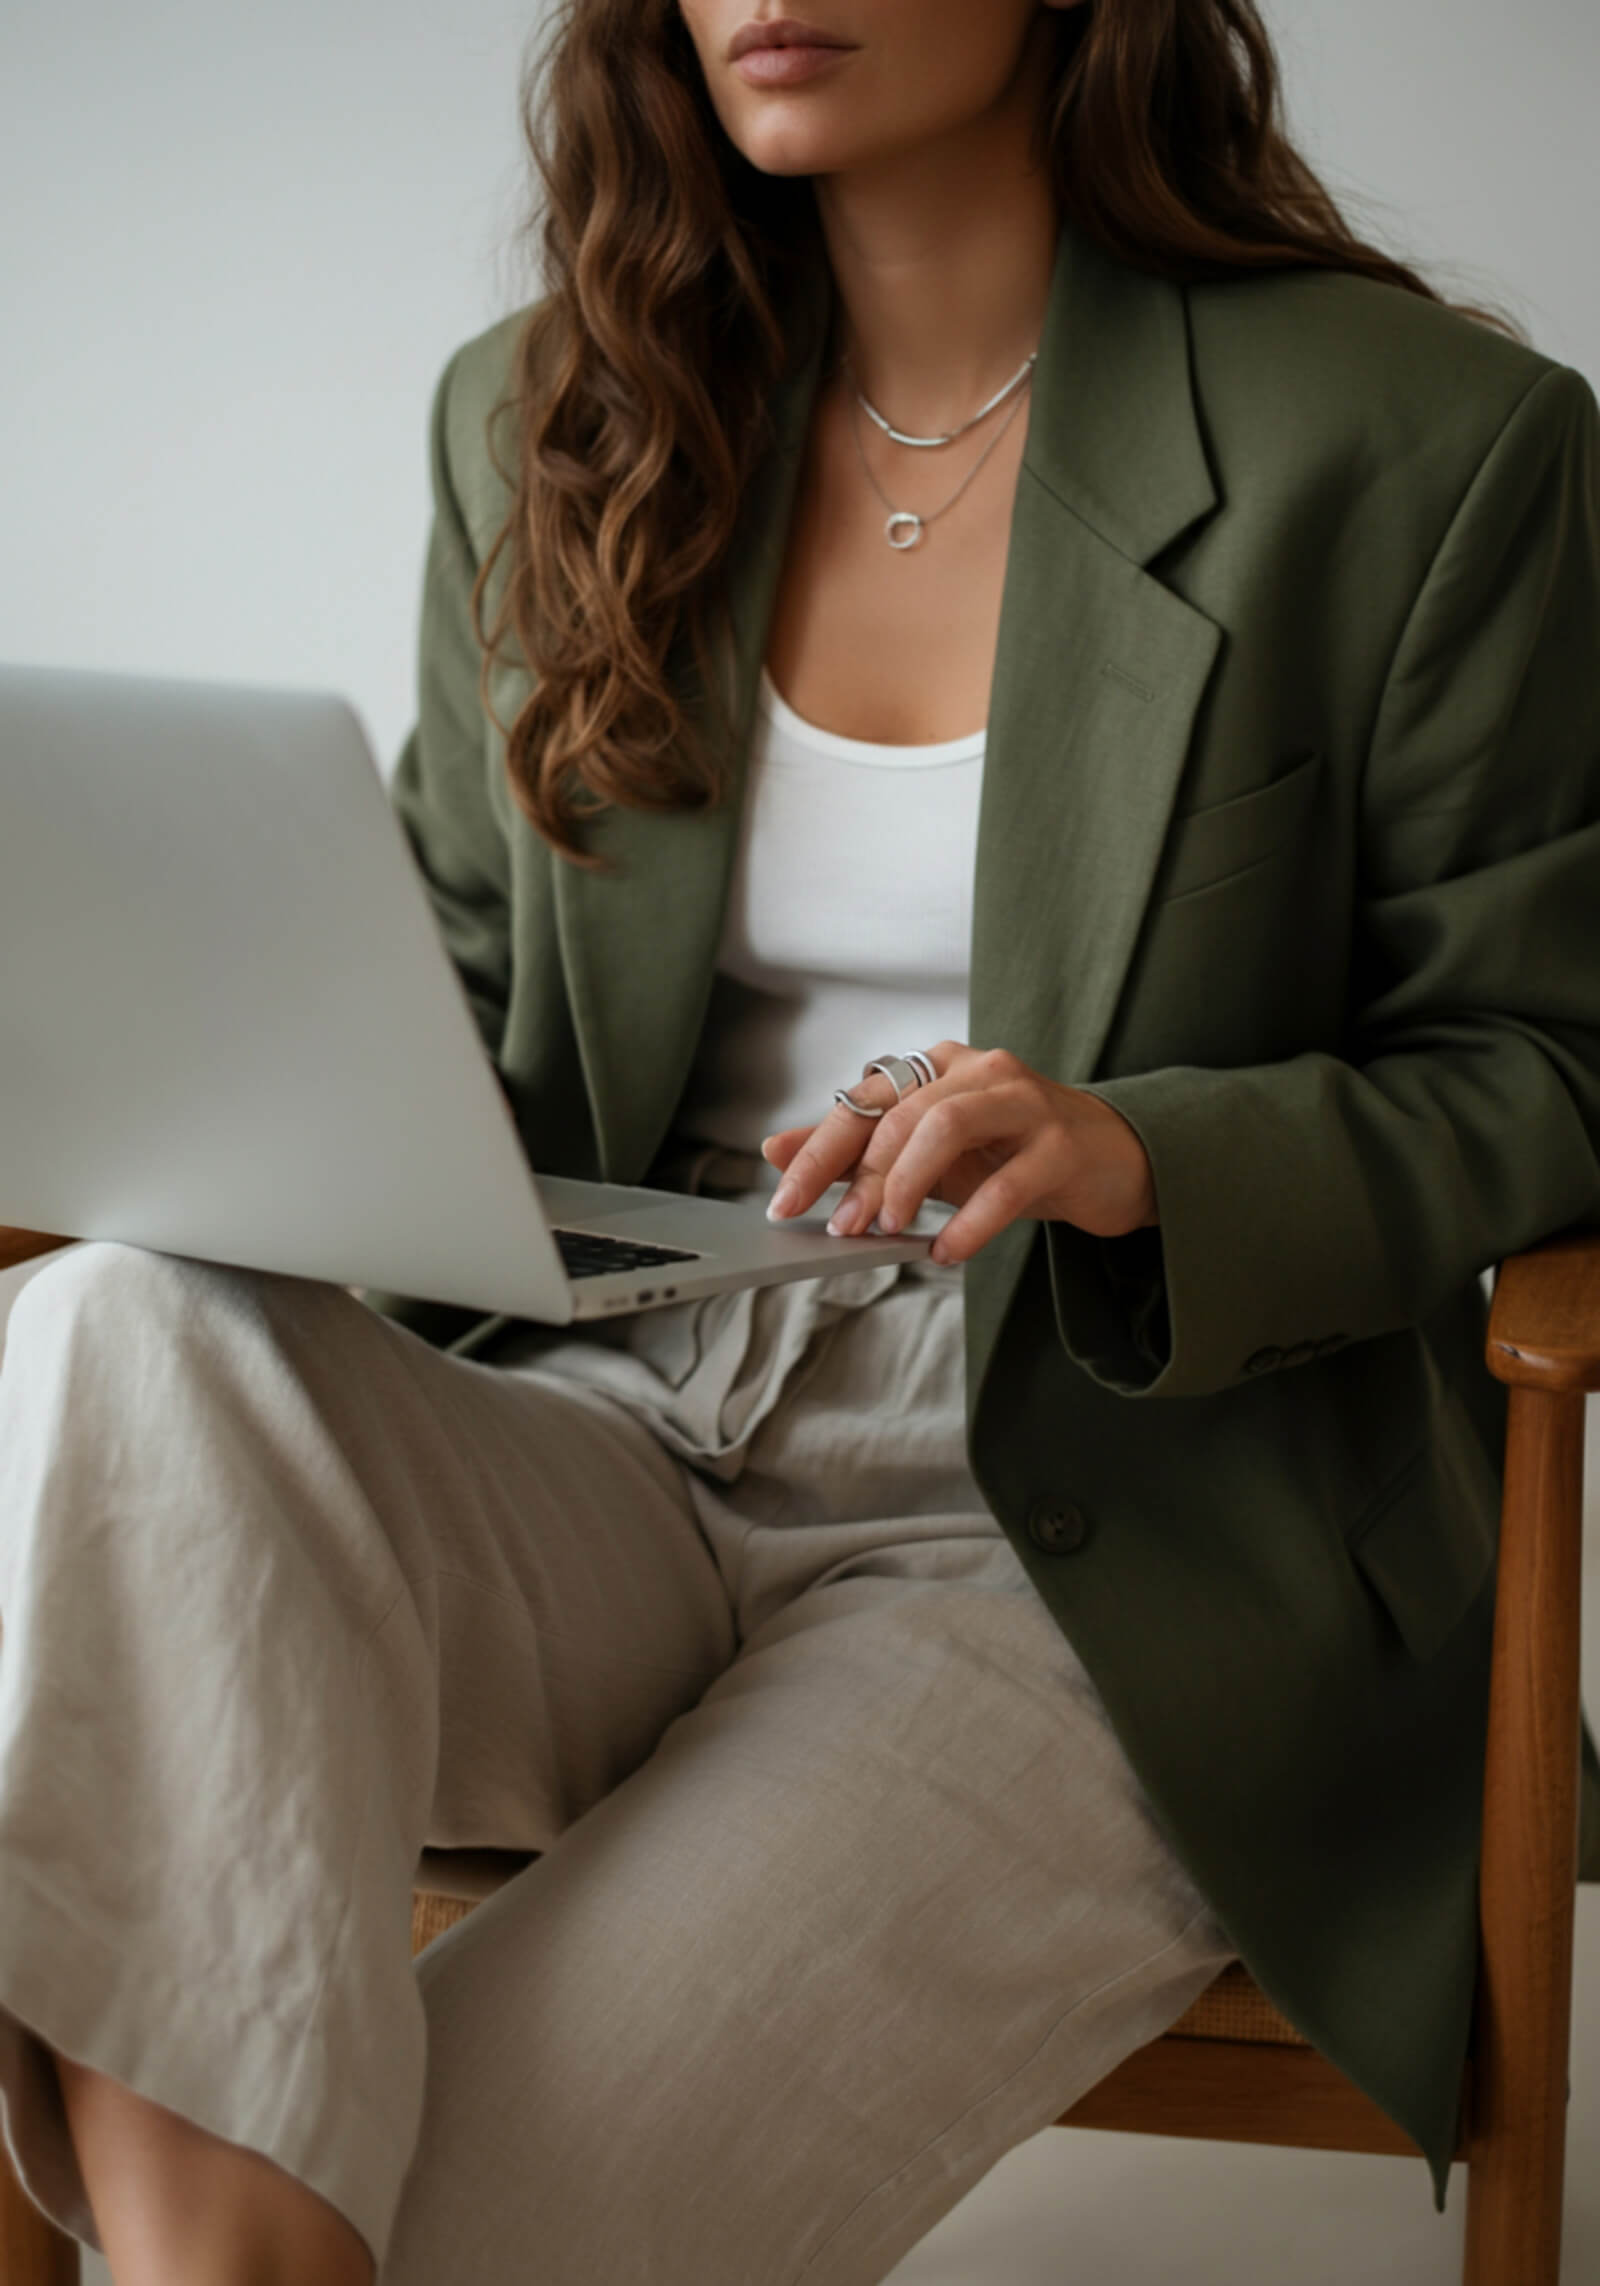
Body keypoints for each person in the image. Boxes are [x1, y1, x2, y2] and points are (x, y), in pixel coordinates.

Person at [2, 1, 1598, 2280]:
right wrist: (170, 1057)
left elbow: (1548, 1062)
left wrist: (1142, 1148)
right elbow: (458, 987)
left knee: (444, 2237)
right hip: (615, 1406)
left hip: (1091, 1527)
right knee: (106, 1328)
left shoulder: (1428, 447)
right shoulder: (557, 410)